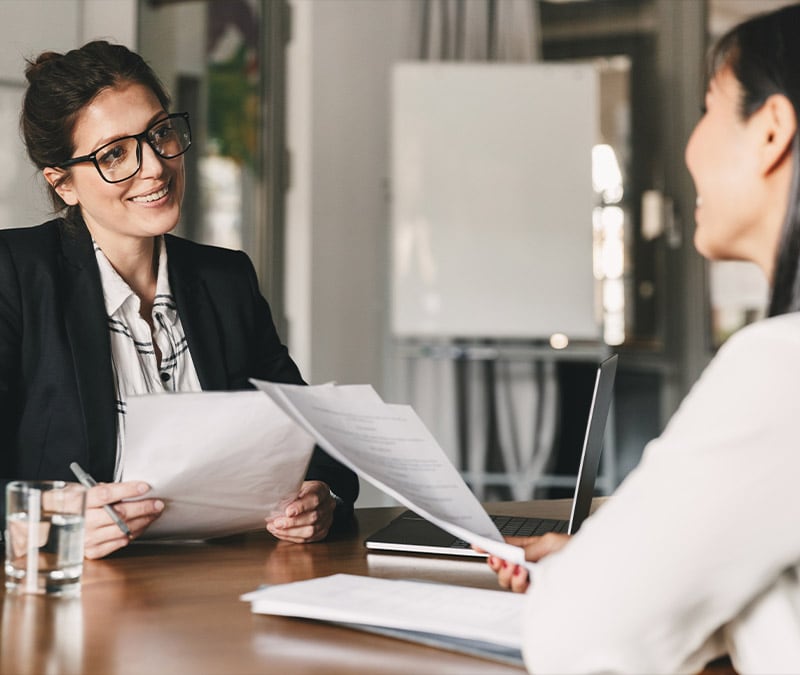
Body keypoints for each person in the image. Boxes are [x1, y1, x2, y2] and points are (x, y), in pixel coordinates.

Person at [486, 4, 800, 673]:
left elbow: (574, 637)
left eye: (709, 108)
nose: (689, 147)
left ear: (773, 130)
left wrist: (590, 577)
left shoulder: (781, 366)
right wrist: (622, 563)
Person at [0, 41, 358, 560]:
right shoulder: (15, 274)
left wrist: (319, 496)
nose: (154, 167)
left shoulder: (225, 279)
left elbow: (314, 439)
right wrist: (45, 519)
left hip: (219, 579)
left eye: (159, 133)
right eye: (114, 154)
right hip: (78, 587)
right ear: (64, 184)